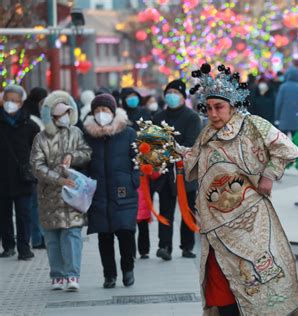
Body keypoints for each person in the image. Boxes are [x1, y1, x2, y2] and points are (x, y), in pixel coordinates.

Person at [178, 63, 298, 315]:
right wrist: (171, 150)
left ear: (232, 106)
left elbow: (284, 148)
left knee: (259, 273)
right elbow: (194, 160)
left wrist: (268, 177)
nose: (214, 114)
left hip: (250, 218)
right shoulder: (206, 133)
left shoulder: (252, 125)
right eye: (209, 108)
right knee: (220, 277)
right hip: (215, 222)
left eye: (219, 107)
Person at [31, 90, 91, 290]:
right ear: (51, 116)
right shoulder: (41, 138)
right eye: (59, 113)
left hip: (73, 195)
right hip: (49, 195)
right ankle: (57, 274)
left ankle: (72, 275)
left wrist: (73, 157)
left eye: (67, 112)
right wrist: (58, 180)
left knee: (72, 235)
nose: (64, 116)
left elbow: (86, 152)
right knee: (53, 237)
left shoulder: (76, 133)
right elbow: (37, 166)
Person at [83, 94, 139, 289]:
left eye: (105, 110)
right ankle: (109, 275)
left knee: (126, 234)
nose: (101, 114)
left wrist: (134, 179)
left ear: (113, 112)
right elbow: (84, 162)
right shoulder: (88, 135)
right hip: (99, 193)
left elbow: (137, 159)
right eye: (97, 111)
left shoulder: (128, 133)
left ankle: (128, 268)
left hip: (124, 191)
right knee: (104, 237)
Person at [151, 79, 201, 261]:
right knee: (165, 210)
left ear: (183, 96)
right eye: (169, 93)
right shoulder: (157, 117)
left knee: (188, 209)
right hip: (164, 172)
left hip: (186, 172)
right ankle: (164, 246)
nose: (172, 96)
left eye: (176, 93)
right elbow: (152, 143)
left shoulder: (192, 117)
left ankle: (187, 246)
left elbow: (190, 144)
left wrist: (170, 148)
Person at [0, 84, 40, 260]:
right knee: (3, 214)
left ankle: (24, 248)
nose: (10, 103)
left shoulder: (30, 125)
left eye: (14, 101)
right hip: (2, 177)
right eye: (7, 100)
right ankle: (8, 245)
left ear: (21, 102)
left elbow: (38, 150)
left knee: (24, 215)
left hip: (23, 177)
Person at [23, 87, 48, 249]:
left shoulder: (30, 116)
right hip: (34, 166)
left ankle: (37, 237)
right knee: (35, 204)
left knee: (35, 204)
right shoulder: (33, 120)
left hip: (33, 165)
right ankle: (38, 237)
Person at [275, 66, 298, 136]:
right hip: (297, 120)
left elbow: (278, 104)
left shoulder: (283, 87)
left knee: (283, 142)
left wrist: (277, 118)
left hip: (284, 120)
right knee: (296, 142)